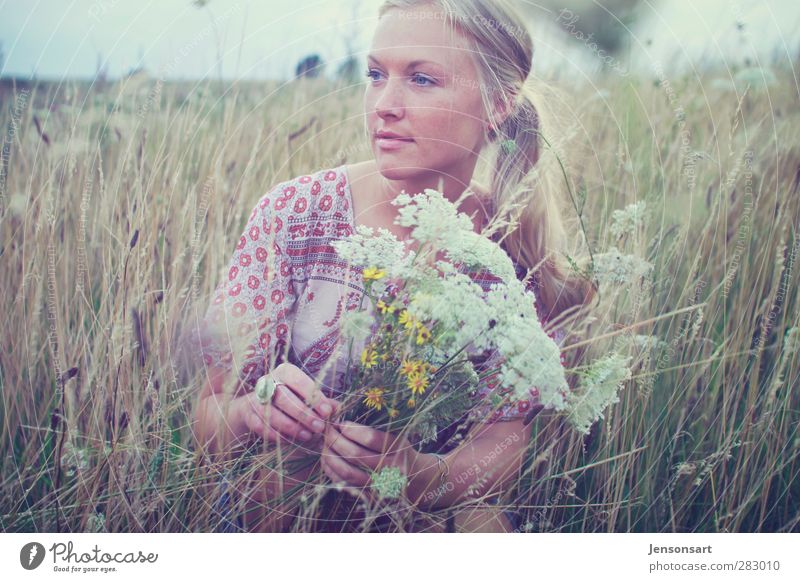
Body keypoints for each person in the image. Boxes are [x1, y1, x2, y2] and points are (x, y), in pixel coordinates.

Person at [182, 0, 595, 533]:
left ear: (497, 104)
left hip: (421, 520)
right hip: (284, 511)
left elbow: (504, 437)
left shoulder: (507, 248)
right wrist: (248, 414)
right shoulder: (297, 215)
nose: (384, 104)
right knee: (279, 478)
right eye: (375, 75)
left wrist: (424, 477)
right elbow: (208, 418)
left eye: (422, 79)